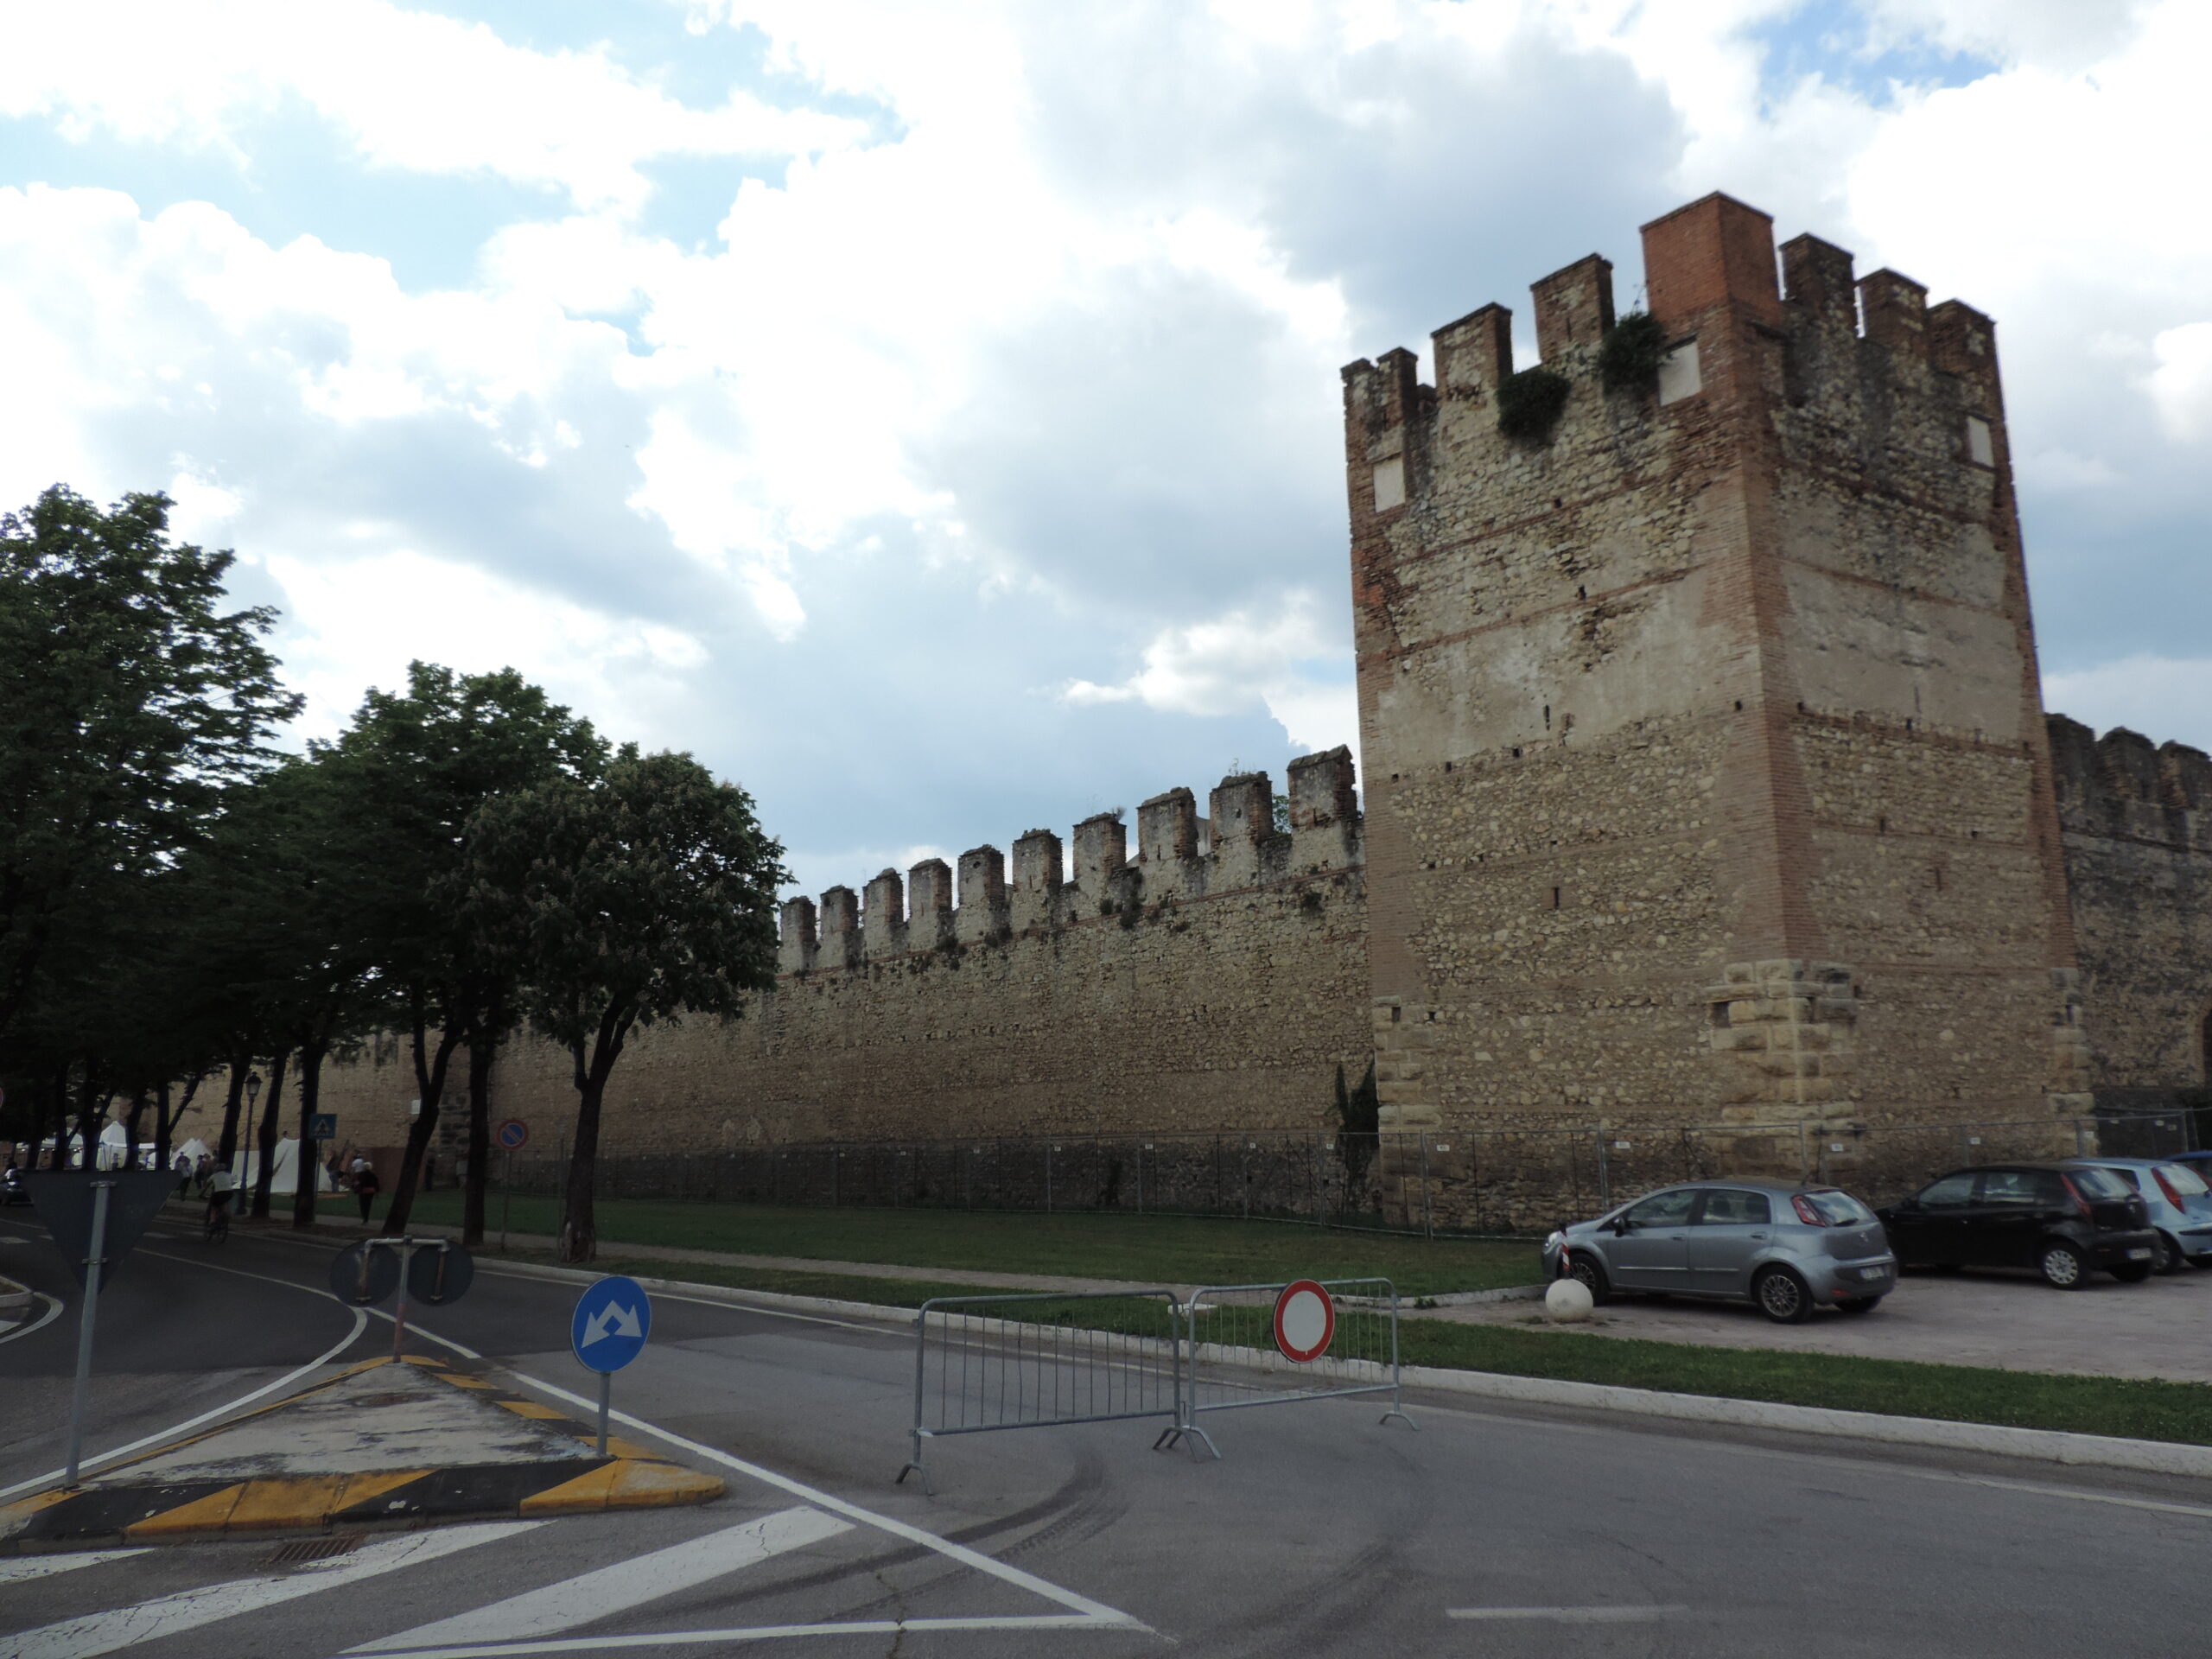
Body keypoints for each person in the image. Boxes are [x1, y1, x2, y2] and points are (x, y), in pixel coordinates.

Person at [204, 1163, 236, 1236]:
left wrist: (202, 1193)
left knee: (214, 1209)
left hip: (218, 1193)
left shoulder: (214, 1175)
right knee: (225, 1203)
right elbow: (233, 1182)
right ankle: (225, 1215)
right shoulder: (229, 1175)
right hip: (229, 1193)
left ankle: (213, 1223)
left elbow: (207, 1185)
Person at [353, 1159, 380, 1224]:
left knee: (362, 1205)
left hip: (363, 1191)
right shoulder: (373, 1175)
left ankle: (364, 1218)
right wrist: (377, 1192)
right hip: (371, 1191)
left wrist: (356, 1188)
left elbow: (358, 1183)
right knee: (368, 1204)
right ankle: (366, 1217)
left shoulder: (361, 1175)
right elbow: (376, 1184)